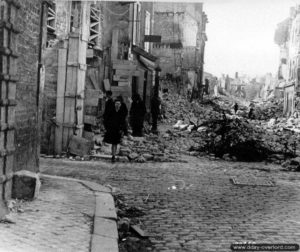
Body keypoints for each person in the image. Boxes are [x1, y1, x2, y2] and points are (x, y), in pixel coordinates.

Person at [103, 98, 125, 162]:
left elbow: (123, 122)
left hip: (118, 130)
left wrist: (122, 129)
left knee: (115, 143)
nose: (117, 105)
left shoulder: (121, 112)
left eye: (119, 104)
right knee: (113, 143)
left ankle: (114, 155)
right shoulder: (111, 111)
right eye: (116, 103)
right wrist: (107, 127)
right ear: (114, 104)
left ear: (120, 105)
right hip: (112, 129)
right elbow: (106, 119)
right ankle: (113, 155)